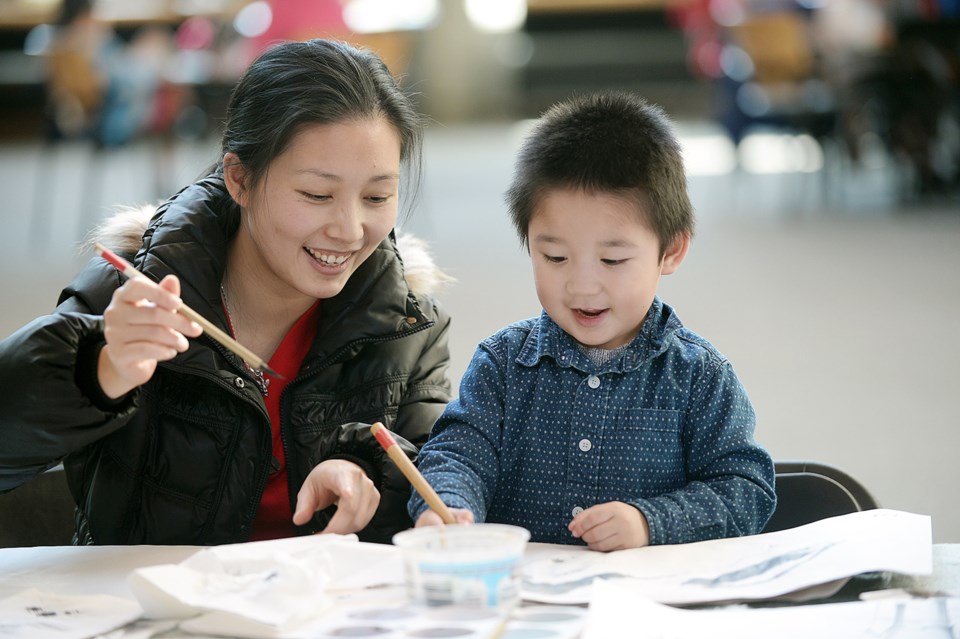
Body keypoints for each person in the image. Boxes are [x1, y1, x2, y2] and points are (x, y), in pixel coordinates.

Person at [0, 39, 452, 545]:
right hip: (155, 615)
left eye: (376, 197)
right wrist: (99, 368)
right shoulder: (137, 293)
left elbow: (437, 476)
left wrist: (365, 469)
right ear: (239, 179)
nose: (349, 230)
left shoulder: (405, 322)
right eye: (317, 195)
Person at [409, 91, 776, 551]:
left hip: (646, 608)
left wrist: (651, 522)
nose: (582, 286)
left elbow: (746, 490)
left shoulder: (699, 377)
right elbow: (458, 452)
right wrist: (448, 504)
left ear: (672, 250)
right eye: (555, 256)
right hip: (526, 605)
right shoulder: (503, 364)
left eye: (613, 259)